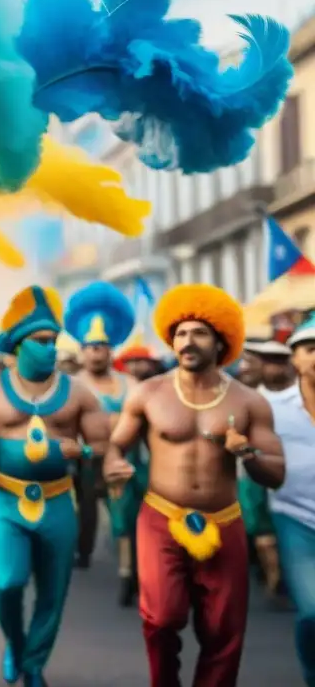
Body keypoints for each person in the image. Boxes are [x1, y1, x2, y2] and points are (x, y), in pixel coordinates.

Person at [103, 283, 286, 687]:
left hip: (224, 521)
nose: (187, 341)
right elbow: (117, 445)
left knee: (223, 632)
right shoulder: (148, 393)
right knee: (162, 617)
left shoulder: (248, 402)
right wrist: (114, 465)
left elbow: (276, 473)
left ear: (221, 341)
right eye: (181, 332)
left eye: (199, 332)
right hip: (161, 518)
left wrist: (247, 454)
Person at [0, 285, 109, 687]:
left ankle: (35, 663)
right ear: (19, 345)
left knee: (53, 592)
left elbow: (104, 444)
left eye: (54, 341)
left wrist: (84, 451)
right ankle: (15, 644)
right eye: (41, 341)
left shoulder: (79, 393)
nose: (51, 349)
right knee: (8, 583)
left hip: (57, 502)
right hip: (5, 500)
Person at [64, 281, 140, 604]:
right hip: (81, 462)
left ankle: (128, 572)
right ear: (82, 350)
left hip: (121, 458)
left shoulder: (131, 383)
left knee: (124, 515)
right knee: (82, 514)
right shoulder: (68, 385)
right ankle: (81, 551)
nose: (96, 351)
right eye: (91, 345)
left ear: (112, 350)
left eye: (102, 346)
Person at [273, 317, 315, 685]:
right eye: (311, 349)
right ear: (295, 359)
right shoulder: (272, 407)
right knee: (312, 613)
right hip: (296, 518)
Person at [237, 339, 293, 603]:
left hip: (295, 473)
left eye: (280, 362)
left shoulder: (302, 395)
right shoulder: (248, 398)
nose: (274, 368)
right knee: (261, 527)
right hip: (254, 472)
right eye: (268, 362)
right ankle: (275, 578)